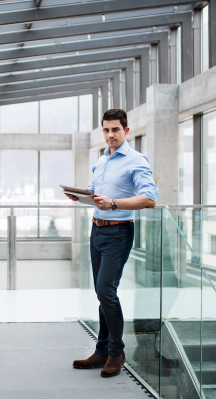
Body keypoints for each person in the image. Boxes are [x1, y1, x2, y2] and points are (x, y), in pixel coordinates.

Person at [66, 109, 158, 378]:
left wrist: (115, 203)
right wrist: (83, 196)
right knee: (101, 291)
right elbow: (98, 195)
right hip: (96, 230)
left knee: (106, 290)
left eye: (115, 129)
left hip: (119, 232)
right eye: (106, 130)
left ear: (126, 131)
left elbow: (150, 198)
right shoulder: (101, 161)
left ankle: (116, 353)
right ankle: (102, 350)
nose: (110, 135)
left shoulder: (136, 160)